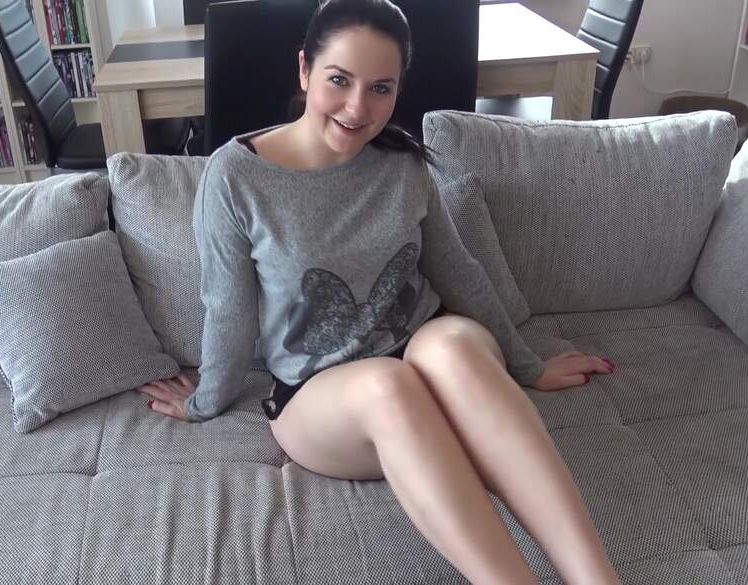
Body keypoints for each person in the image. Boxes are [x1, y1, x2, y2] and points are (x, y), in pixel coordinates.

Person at [137, 0, 622, 583]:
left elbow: (458, 272)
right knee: (388, 385)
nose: (357, 108)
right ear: (305, 70)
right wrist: (203, 402)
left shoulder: (401, 163)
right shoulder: (235, 176)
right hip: (323, 394)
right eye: (339, 80)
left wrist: (528, 365)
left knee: (451, 348)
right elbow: (228, 311)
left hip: (428, 348)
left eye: (380, 89)